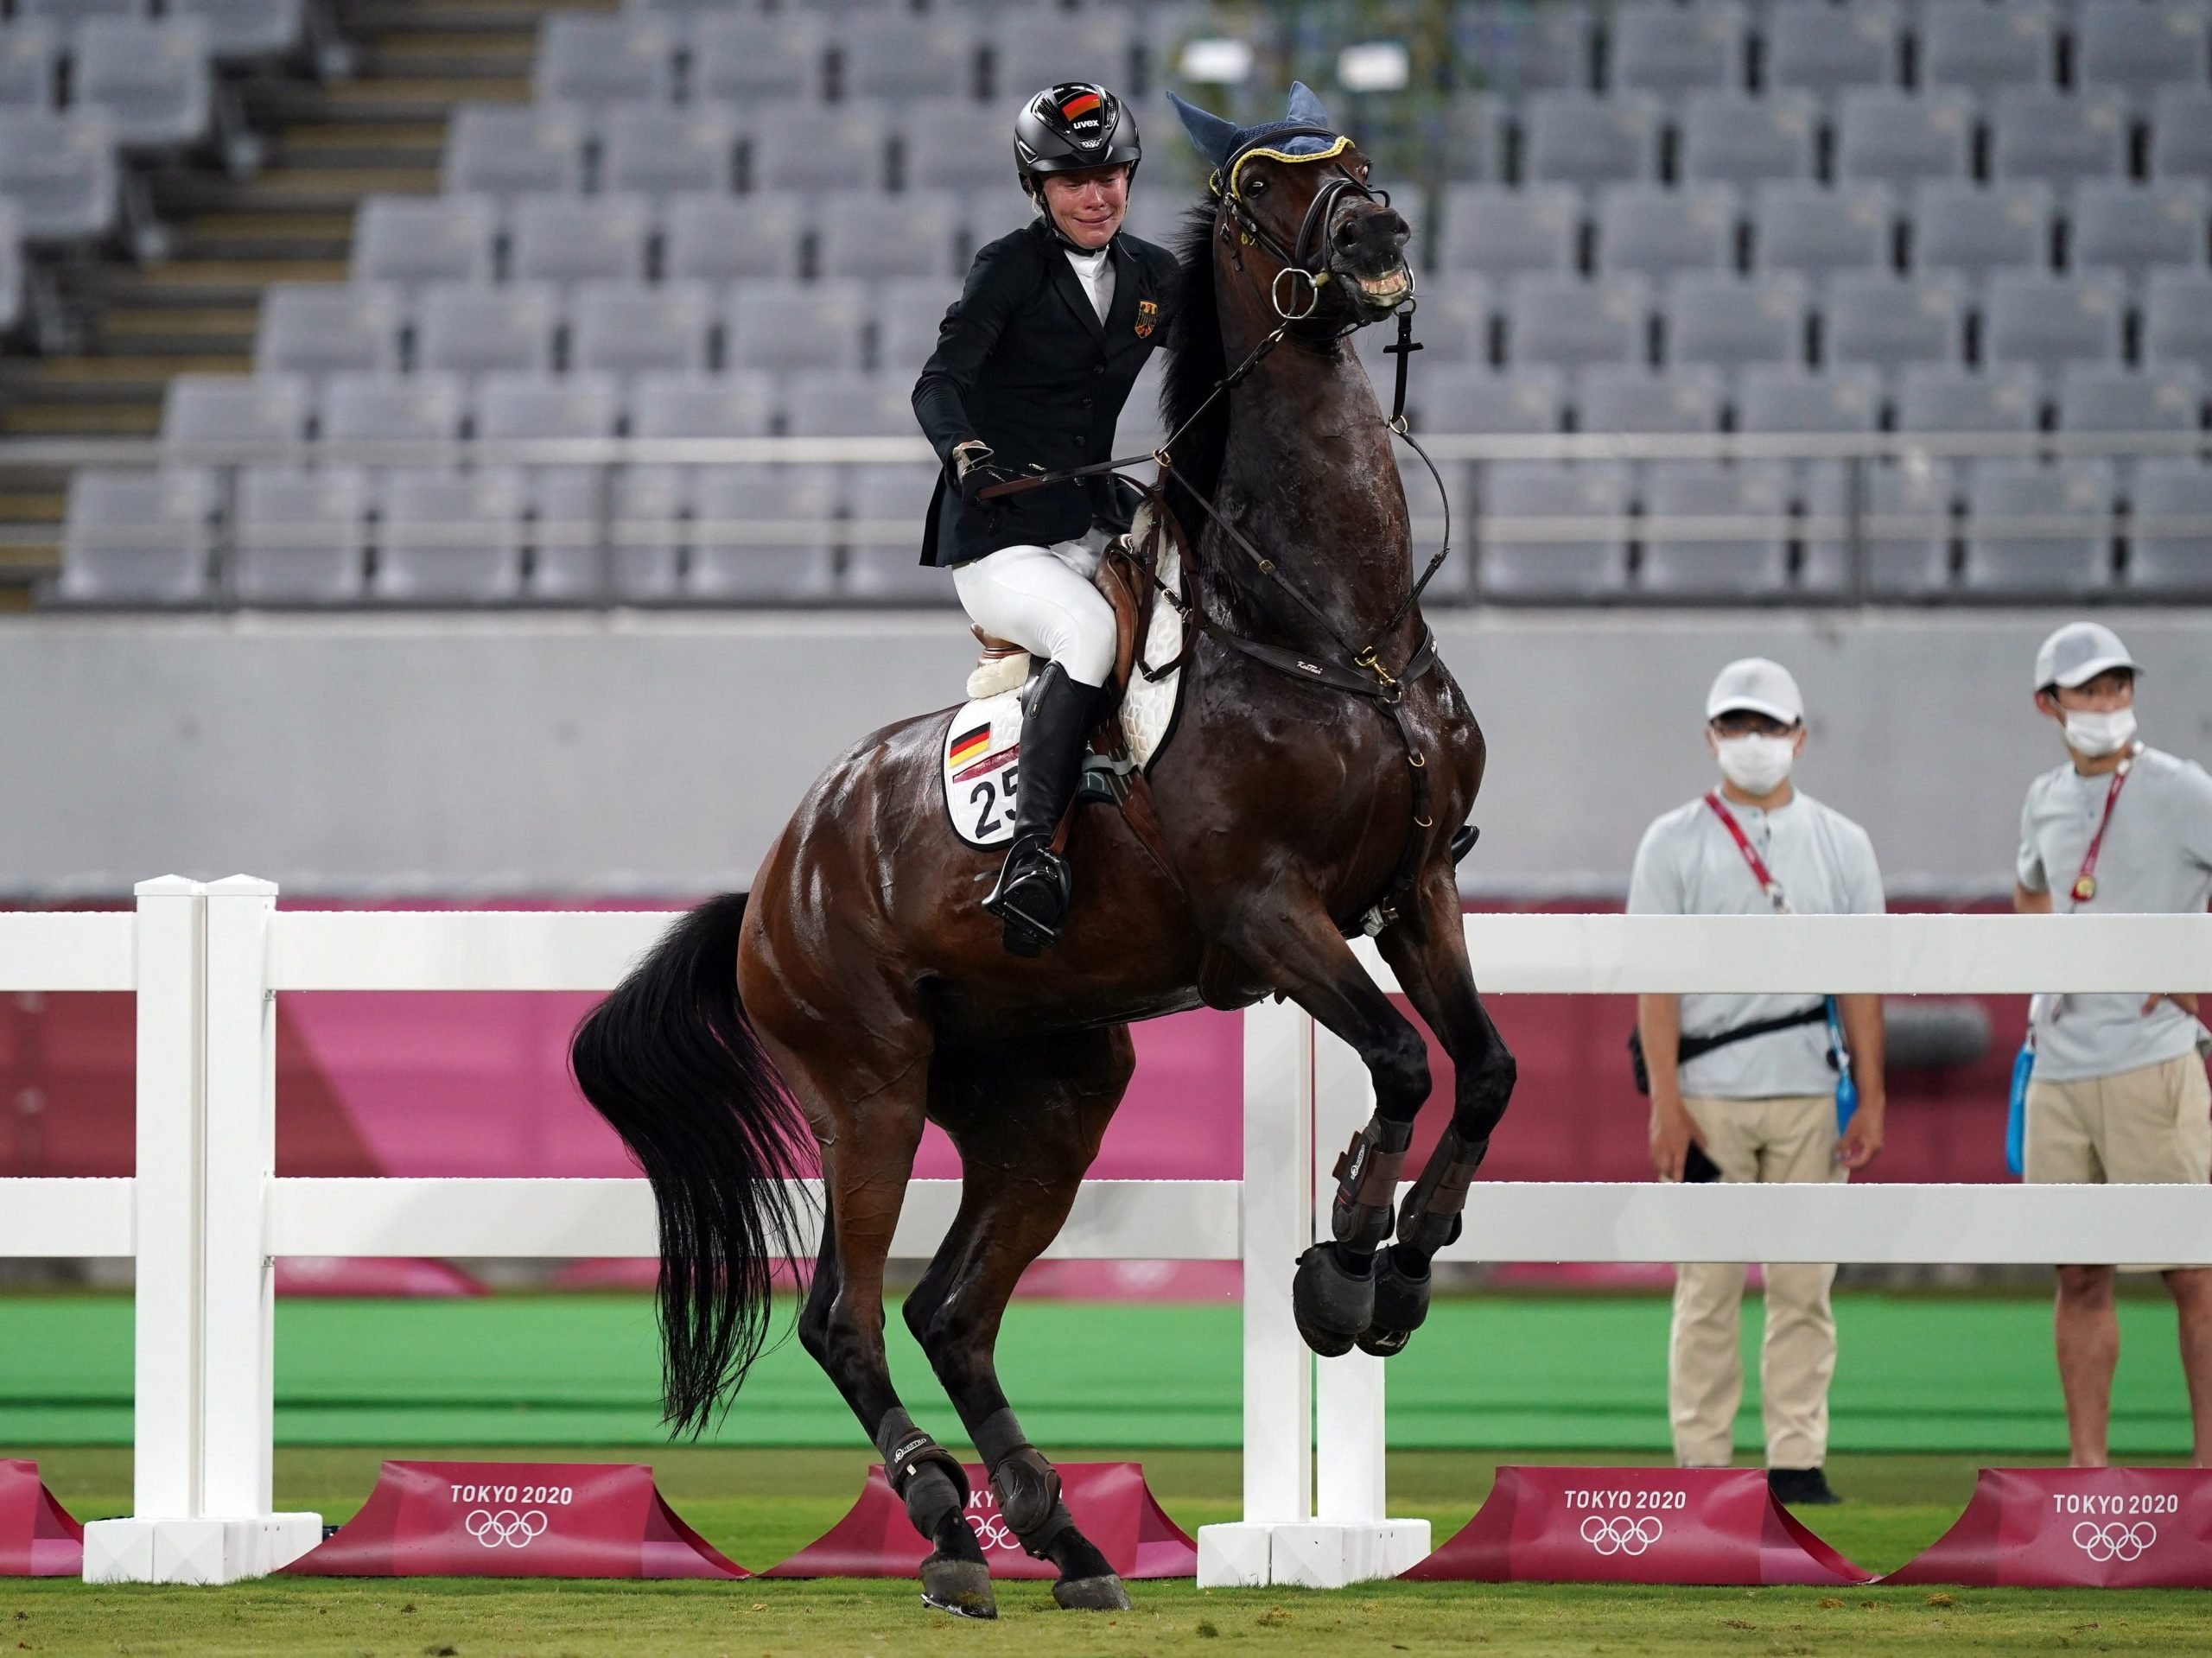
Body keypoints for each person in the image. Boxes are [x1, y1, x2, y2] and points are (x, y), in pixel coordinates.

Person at [910, 81, 1179, 956]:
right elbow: (938, 383)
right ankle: (1031, 855)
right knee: (1091, 635)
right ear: (1039, 188)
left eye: (1112, 175)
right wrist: (967, 454)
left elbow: (1226, 351)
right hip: (1000, 536)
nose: (1098, 194)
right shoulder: (1009, 267)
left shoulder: (1147, 275)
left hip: (1094, 519)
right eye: (1074, 180)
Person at [1629, 657, 1888, 1507]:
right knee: (1705, 1289)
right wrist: (1665, 1101)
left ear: (1799, 737)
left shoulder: (1843, 844)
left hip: (1809, 1089)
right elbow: (1654, 984)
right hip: (1705, 1093)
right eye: (1736, 726)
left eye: (1768, 726)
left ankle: (1796, 1459)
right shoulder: (1670, 840)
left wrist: (1872, 1092)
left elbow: (1860, 982)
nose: (1752, 742)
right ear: (1710, 737)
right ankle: (1702, 1467)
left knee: (1803, 1285)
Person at [2013, 620, 2212, 1468]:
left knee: (2193, 1272)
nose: (2105, 704)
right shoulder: (2043, 796)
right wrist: (2045, 970)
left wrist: (2184, 968)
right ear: (2047, 704)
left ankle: (2207, 1470)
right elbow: (2027, 889)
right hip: (2058, 1063)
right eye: (2087, 690)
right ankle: (2086, 1471)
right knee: (2078, 1272)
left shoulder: (2181, 787)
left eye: (2116, 686)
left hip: (2151, 1055)